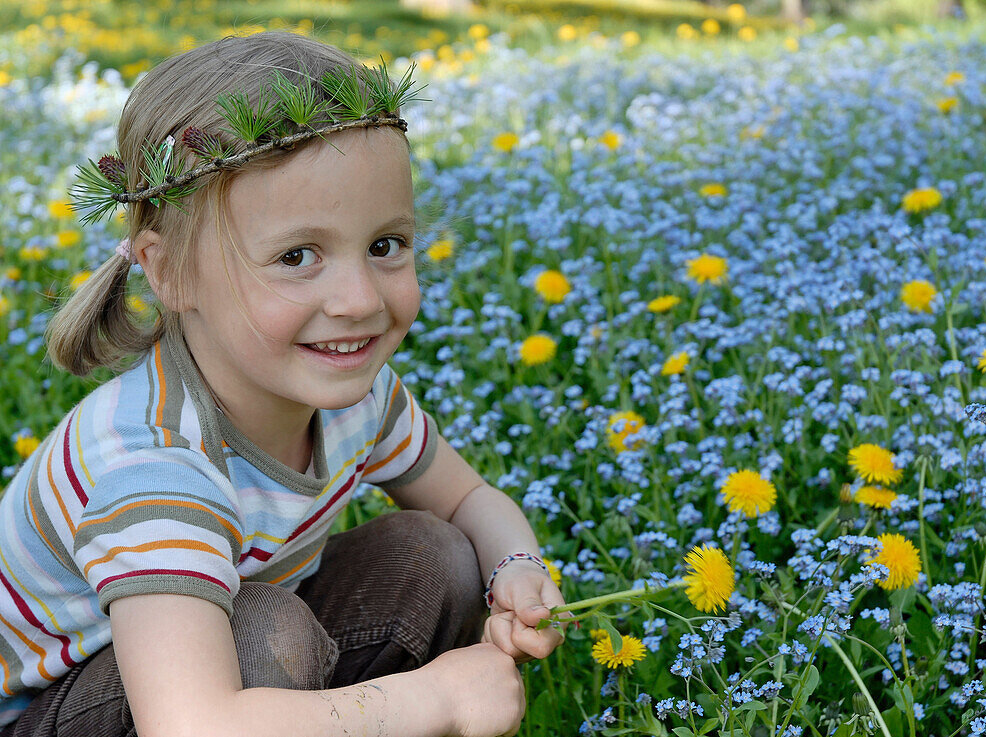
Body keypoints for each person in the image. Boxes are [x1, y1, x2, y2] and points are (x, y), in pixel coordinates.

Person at [0, 30, 567, 737]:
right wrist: (434, 701)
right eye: (298, 255)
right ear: (169, 270)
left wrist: (514, 568)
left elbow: (469, 499)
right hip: (54, 713)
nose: (359, 297)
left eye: (385, 245)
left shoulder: (360, 398)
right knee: (264, 631)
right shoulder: (155, 467)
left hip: (198, 666)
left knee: (437, 553)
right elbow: (193, 723)